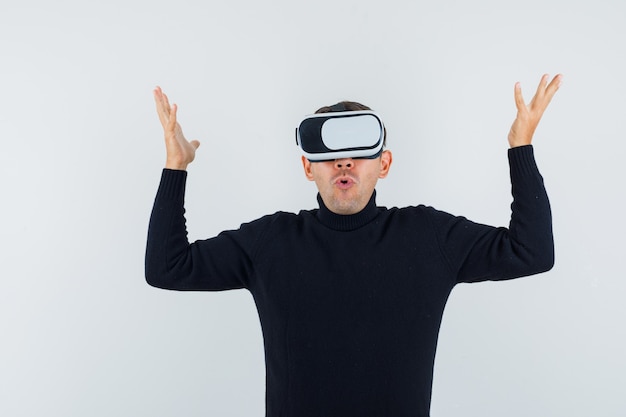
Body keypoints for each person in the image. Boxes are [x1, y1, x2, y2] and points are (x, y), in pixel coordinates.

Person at [145, 74, 562, 417]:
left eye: (358, 152)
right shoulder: (270, 243)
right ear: (308, 167)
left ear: (385, 163)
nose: (344, 163)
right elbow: (168, 267)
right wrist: (175, 166)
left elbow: (532, 251)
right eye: (329, 154)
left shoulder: (428, 237)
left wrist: (520, 147)